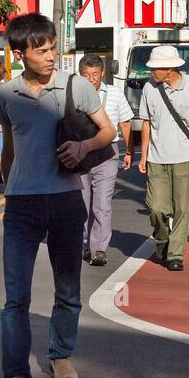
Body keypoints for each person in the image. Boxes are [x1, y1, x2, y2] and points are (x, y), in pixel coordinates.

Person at [0, 13, 116, 378]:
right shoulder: (6, 95)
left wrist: (84, 147)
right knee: (16, 296)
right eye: (41, 50)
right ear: (19, 53)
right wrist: (8, 188)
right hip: (22, 205)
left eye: (52, 47)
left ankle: (61, 356)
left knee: (67, 290)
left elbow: (108, 131)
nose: (51, 55)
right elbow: (10, 147)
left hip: (65, 200)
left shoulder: (76, 86)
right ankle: (16, 376)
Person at [138, 44, 189, 271]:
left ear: (169, 69)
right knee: (156, 207)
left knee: (181, 208)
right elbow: (146, 121)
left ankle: (175, 254)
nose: (151, 72)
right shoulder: (149, 87)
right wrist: (143, 154)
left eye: (154, 68)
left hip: (184, 156)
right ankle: (162, 238)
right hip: (157, 158)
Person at [77, 53, 133, 266]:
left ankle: (99, 248)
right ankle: (83, 243)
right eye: (86, 75)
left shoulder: (116, 93)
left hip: (107, 152)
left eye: (95, 74)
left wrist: (129, 151)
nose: (91, 79)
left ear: (102, 73)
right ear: (80, 75)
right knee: (81, 201)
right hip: (81, 151)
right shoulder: (73, 94)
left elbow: (126, 123)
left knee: (101, 203)